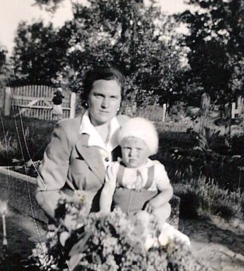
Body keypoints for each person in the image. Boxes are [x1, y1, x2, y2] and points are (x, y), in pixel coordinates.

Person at [36, 67, 129, 220]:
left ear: (120, 101)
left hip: (120, 226)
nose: (106, 104)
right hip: (76, 223)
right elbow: (46, 191)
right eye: (99, 95)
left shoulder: (127, 130)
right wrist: (74, 226)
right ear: (86, 97)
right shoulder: (68, 131)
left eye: (113, 97)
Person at [99, 118, 173, 228]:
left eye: (139, 149)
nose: (132, 153)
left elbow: (167, 190)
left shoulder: (155, 169)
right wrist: (105, 214)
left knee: (162, 209)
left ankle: (151, 230)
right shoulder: (116, 168)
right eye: (127, 148)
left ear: (149, 150)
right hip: (121, 218)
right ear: (121, 148)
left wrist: (156, 201)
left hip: (146, 217)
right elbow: (107, 192)